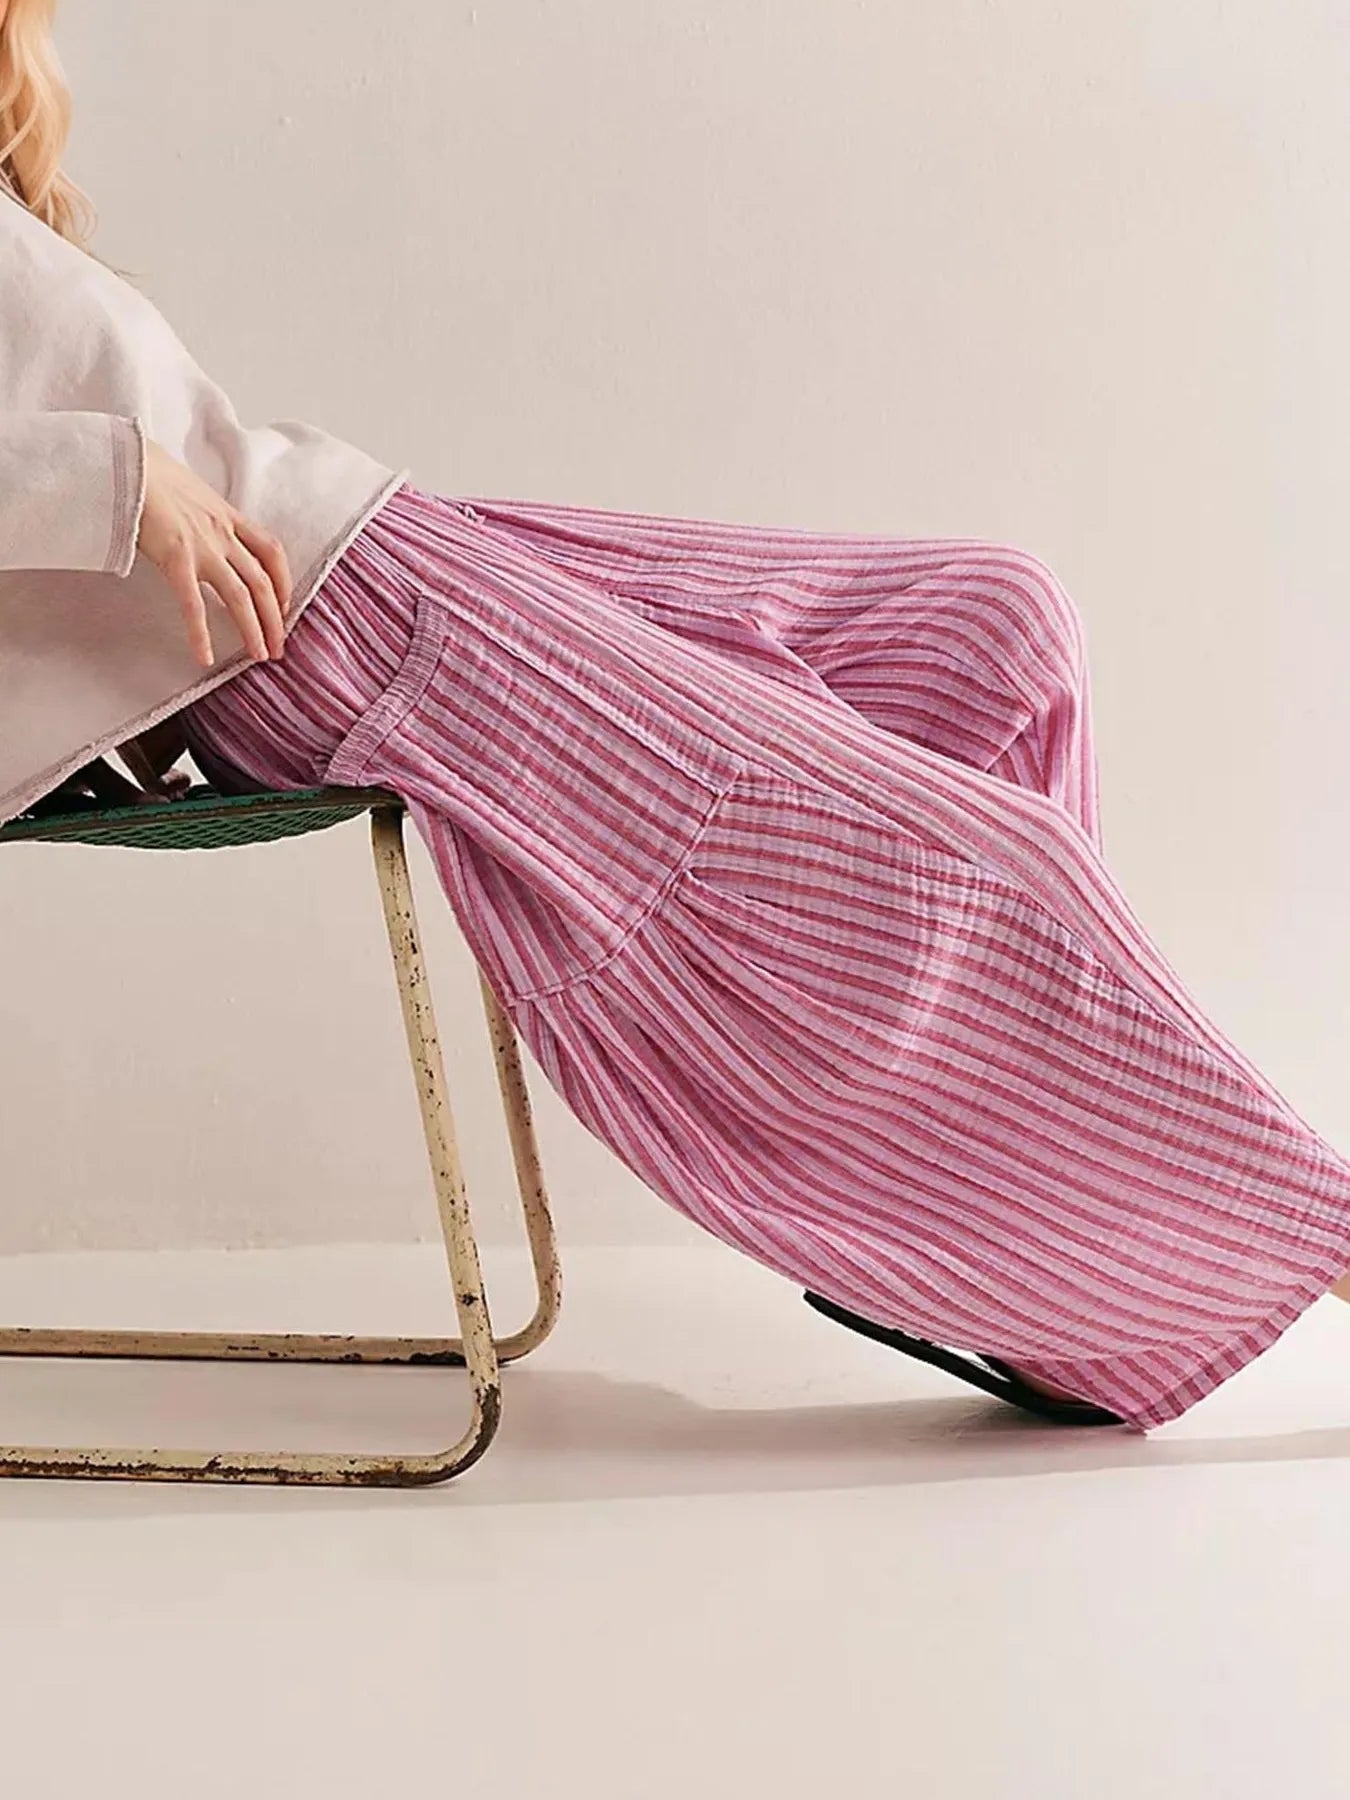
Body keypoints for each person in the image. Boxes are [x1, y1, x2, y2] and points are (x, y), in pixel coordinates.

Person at [5, 0, 1350, 1435]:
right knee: (992, 860)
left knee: (993, 627)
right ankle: (1290, 1232)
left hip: (384, 547)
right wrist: (121, 481)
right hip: (328, 641)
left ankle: (1014, 1229)